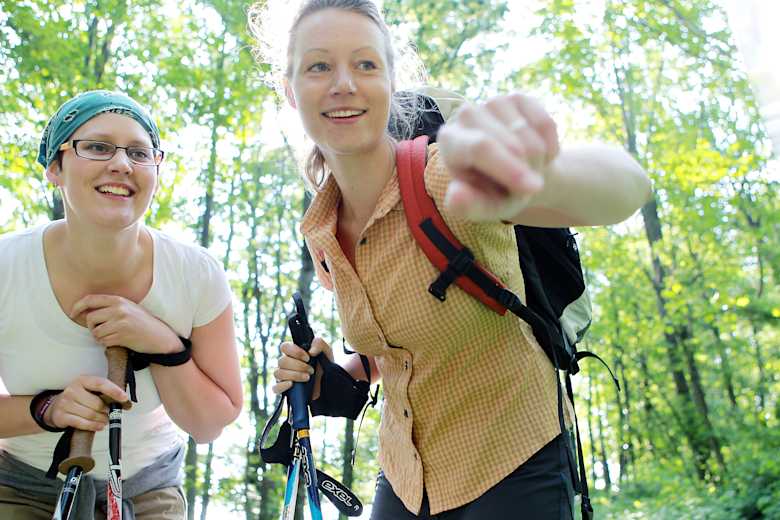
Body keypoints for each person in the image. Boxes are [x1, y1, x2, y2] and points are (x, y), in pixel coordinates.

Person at [254, 1, 652, 518]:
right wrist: (338, 377)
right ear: (290, 90)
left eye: (365, 64)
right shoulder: (323, 230)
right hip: (406, 476)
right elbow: (402, 349)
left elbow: (627, 186)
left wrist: (538, 180)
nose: (344, 83)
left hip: (514, 458)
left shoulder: (443, 177)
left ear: (389, 82)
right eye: (319, 66)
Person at [0, 90, 243, 519]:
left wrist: (164, 346)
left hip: (148, 494)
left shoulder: (196, 275)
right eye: (97, 147)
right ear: (55, 168)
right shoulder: (7, 267)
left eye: (139, 152)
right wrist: (46, 409)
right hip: (23, 491)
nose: (121, 164)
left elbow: (208, 426)